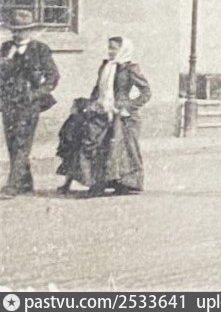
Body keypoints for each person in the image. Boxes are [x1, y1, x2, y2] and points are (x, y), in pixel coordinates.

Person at [0, 10, 59, 198]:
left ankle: (13, 185)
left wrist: (37, 94)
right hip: (8, 102)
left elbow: (53, 76)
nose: (17, 34)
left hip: (28, 103)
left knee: (22, 142)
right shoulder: (5, 48)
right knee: (12, 141)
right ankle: (25, 182)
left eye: (21, 30)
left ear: (30, 31)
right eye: (14, 30)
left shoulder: (40, 49)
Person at [84, 36, 151, 197]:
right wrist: (92, 103)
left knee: (122, 149)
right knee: (100, 147)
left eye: (114, 48)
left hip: (122, 115)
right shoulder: (105, 66)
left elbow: (146, 92)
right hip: (103, 111)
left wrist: (129, 106)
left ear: (122, 50)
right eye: (109, 48)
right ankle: (99, 183)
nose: (110, 51)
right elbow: (98, 88)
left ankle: (125, 183)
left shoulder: (130, 69)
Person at [56, 97, 96, 194]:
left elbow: (67, 132)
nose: (71, 108)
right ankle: (66, 185)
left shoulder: (75, 118)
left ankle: (67, 186)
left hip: (74, 148)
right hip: (74, 147)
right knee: (72, 169)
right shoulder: (83, 118)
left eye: (73, 106)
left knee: (74, 168)